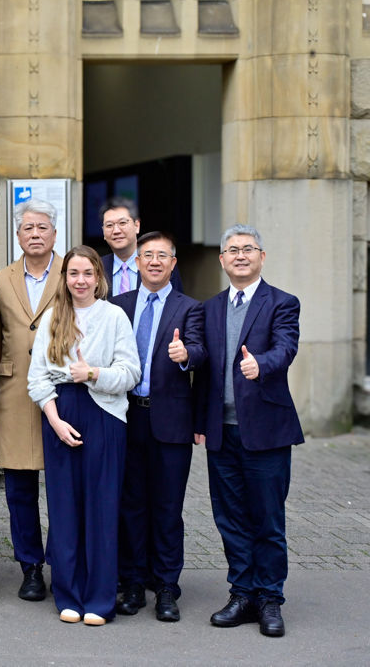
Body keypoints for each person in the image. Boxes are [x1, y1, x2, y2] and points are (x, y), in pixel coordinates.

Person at [194, 224, 301, 638]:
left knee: (267, 519)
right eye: (232, 250)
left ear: (261, 256)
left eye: (248, 249)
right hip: (221, 431)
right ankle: (242, 592)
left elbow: (285, 347)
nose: (240, 255)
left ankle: (270, 598)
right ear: (221, 260)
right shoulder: (211, 307)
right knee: (231, 518)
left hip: (266, 431)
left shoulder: (282, 303)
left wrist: (262, 364)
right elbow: (204, 363)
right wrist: (187, 357)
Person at [27, 246, 140, 625]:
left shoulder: (115, 317)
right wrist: (55, 422)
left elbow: (130, 373)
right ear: (65, 278)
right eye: (73, 273)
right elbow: (37, 377)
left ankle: (100, 599)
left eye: (87, 273)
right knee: (64, 508)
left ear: (98, 277)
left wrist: (93, 373)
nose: (80, 280)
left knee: (102, 508)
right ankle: (69, 594)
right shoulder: (52, 319)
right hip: (61, 412)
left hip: (105, 415)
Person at [113, 231, 205, 622]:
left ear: (173, 263)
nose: (153, 261)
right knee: (130, 505)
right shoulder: (118, 305)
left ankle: (167, 587)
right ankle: (132, 583)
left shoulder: (190, 308)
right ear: (136, 262)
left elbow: (203, 352)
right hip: (126, 416)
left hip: (170, 421)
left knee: (168, 508)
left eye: (162, 256)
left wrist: (187, 355)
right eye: (147, 255)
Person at [0, 198, 59, 601]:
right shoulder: (1, 279)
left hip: (63, 393)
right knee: (19, 491)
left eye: (42, 227)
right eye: (28, 228)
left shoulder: (74, 272)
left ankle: (64, 563)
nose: (35, 234)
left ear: (54, 233)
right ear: (18, 235)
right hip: (13, 393)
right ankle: (30, 567)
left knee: (64, 488)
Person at [99, 197, 182, 296]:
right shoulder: (97, 267)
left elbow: (178, 305)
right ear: (103, 232)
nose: (116, 231)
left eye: (122, 223)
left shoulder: (162, 263)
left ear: (137, 226)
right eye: (109, 225)